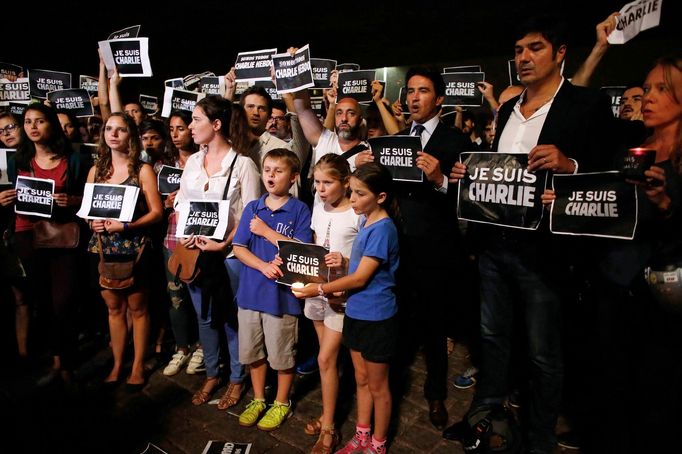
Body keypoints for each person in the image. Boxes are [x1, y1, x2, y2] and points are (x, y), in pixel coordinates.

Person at [447, 15, 616, 453]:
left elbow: (610, 177)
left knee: (543, 353)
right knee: (492, 338)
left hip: (544, 252)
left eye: (535, 48)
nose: (523, 57)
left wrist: (570, 168)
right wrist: (472, 171)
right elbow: (497, 171)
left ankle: (539, 437)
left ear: (560, 53)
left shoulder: (585, 105)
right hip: (494, 246)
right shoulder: (506, 109)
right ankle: (485, 415)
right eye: (519, 50)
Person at [293, 162, 400, 454]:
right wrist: (343, 264)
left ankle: (378, 443)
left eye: (359, 194)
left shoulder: (382, 228)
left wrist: (319, 289)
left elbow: (364, 276)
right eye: (351, 192)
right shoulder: (365, 221)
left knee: (379, 386)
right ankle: (361, 435)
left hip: (376, 316)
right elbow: (361, 266)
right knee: (361, 379)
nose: (352, 199)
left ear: (380, 197)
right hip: (356, 310)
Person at [395, 66, 471, 430]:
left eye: (422, 91)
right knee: (400, 319)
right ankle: (389, 385)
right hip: (397, 246)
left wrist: (440, 179)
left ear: (439, 99)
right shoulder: (395, 139)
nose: (413, 97)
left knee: (434, 325)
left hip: (436, 250)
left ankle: (436, 393)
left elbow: (470, 199)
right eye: (410, 90)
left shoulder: (456, 141)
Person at [175, 96, 260, 408]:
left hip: (230, 258)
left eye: (196, 120)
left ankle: (238, 378)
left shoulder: (244, 165)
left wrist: (224, 243)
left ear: (216, 124)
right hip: (197, 254)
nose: (190, 126)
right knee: (205, 316)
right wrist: (187, 234)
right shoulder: (193, 163)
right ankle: (213, 372)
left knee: (231, 318)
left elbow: (252, 214)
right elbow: (182, 202)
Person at [3, 103, 86, 386]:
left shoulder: (72, 159)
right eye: (27, 122)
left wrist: (72, 201)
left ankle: (67, 358)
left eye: (39, 121)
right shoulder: (16, 161)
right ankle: (58, 361)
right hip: (27, 235)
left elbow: (86, 197)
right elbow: (9, 193)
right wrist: (4, 200)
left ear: (51, 124)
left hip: (63, 236)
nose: (33, 127)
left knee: (64, 301)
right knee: (44, 303)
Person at [232, 148, 312, 431]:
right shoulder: (254, 207)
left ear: (292, 177)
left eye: (278, 171)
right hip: (251, 292)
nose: (271, 175)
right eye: (267, 169)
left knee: (281, 355)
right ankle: (257, 398)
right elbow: (239, 248)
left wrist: (267, 232)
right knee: (253, 352)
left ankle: (281, 401)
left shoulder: (299, 209)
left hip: (281, 298)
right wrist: (263, 266)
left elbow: (302, 251)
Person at [86, 112, 163, 391]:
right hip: (104, 248)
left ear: (130, 135)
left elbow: (156, 213)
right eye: (109, 129)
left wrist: (126, 225)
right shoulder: (96, 171)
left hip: (135, 248)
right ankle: (118, 363)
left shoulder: (142, 170)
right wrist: (91, 221)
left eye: (120, 129)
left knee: (138, 309)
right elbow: (87, 211)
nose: (113, 134)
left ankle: (138, 365)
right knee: (114, 309)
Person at [300, 154, 360, 453]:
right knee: (329, 363)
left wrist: (346, 262)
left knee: (325, 359)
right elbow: (314, 241)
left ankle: (330, 429)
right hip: (318, 290)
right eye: (317, 182)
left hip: (341, 294)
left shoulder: (356, 212)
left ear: (345, 182)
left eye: (327, 182)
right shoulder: (318, 206)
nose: (320, 189)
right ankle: (328, 412)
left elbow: (368, 257)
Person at [160, 110, 202, 377]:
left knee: (199, 299)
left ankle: (202, 346)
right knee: (176, 299)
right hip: (172, 238)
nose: (176, 134)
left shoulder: (204, 161)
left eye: (182, 128)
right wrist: (166, 203)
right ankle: (182, 347)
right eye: (172, 129)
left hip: (199, 238)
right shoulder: (163, 165)